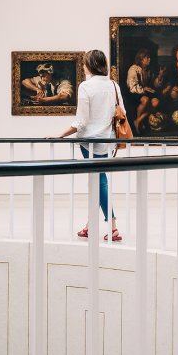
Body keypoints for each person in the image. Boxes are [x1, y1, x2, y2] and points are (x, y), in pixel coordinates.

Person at [52, 49, 122, 242]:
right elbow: (120, 112)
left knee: (99, 181)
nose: (83, 67)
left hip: (89, 142)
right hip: (108, 141)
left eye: (84, 63)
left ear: (89, 65)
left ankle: (113, 225)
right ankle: (91, 225)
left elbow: (81, 122)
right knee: (97, 180)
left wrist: (59, 135)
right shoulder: (113, 85)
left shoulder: (85, 86)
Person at [127, 49, 159, 131]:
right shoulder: (133, 69)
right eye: (147, 58)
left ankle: (138, 121)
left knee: (156, 102)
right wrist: (144, 89)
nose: (149, 59)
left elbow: (153, 84)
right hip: (134, 93)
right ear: (141, 59)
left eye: (149, 58)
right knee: (145, 100)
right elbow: (132, 87)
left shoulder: (148, 70)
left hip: (145, 92)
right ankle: (139, 123)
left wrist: (151, 87)